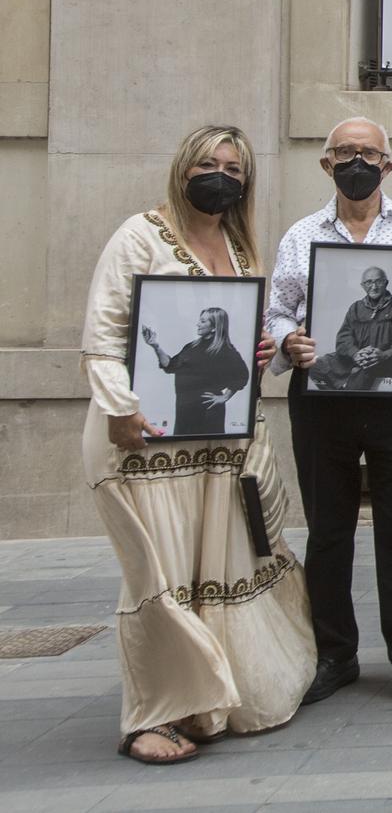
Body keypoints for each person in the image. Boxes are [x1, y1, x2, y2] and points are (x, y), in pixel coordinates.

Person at [80, 126, 313, 765]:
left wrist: (259, 352)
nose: (221, 175)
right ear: (183, 167)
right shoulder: (139, 236)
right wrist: (119, 408)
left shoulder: (241, 247)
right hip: (144, 444)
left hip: (219, 447)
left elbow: (240, 347)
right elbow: (104, 333)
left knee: (212, 575)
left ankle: (204, 702)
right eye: (209, 163)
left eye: (233, 167)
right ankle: (149, 719)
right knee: (159, 579)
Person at [267, 117, 392, 710]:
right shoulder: (300, 235)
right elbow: (278, 311)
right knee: (329, 528)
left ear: (388, 165)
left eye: (368, 153)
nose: (356, 162)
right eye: (344, 153)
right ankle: (334, 654)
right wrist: (288, 343)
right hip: (322, 402)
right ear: (326, 164)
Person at [138, 307, 250, 437]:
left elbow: (242, 375)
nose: (198, 324)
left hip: (207, 414)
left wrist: (225, 397)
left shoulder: (226, 351)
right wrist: (155, 345)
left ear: (214, 327)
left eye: (203, 321)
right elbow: (170, 366)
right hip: (184, 411)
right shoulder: (192, 346)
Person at [309, 266, 392, 392]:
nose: (374, 286)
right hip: (356, 357)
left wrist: (384, 355)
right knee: (316, 366)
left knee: (361, 375)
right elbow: (343, 338)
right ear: (363, 286)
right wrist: (355, 353)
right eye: (369, 282)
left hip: (386, 360)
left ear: (386, 283)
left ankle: (347, 401)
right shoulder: (356, 308)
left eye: (378, 281)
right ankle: (336, 398)